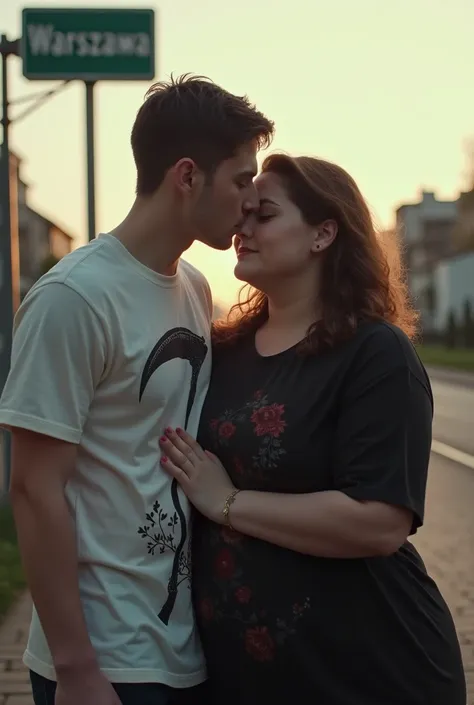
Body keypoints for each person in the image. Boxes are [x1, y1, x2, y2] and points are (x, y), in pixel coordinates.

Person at [0, 74, 274, 705]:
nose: (248, 200)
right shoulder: (73, 298)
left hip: (183, 641)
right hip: (104, 661)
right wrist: (74, 667)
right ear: (187, 176)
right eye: (239, 180)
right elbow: (33, 488)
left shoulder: (194, 289)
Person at [159, 154, 467, 705]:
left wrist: (227, 501)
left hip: (369, 671)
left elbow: (379, 523)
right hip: (244, 677)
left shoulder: (376, 354)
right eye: (242, 213)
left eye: (264, 215)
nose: (241, 228)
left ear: (324, 233)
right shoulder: (221, 351)